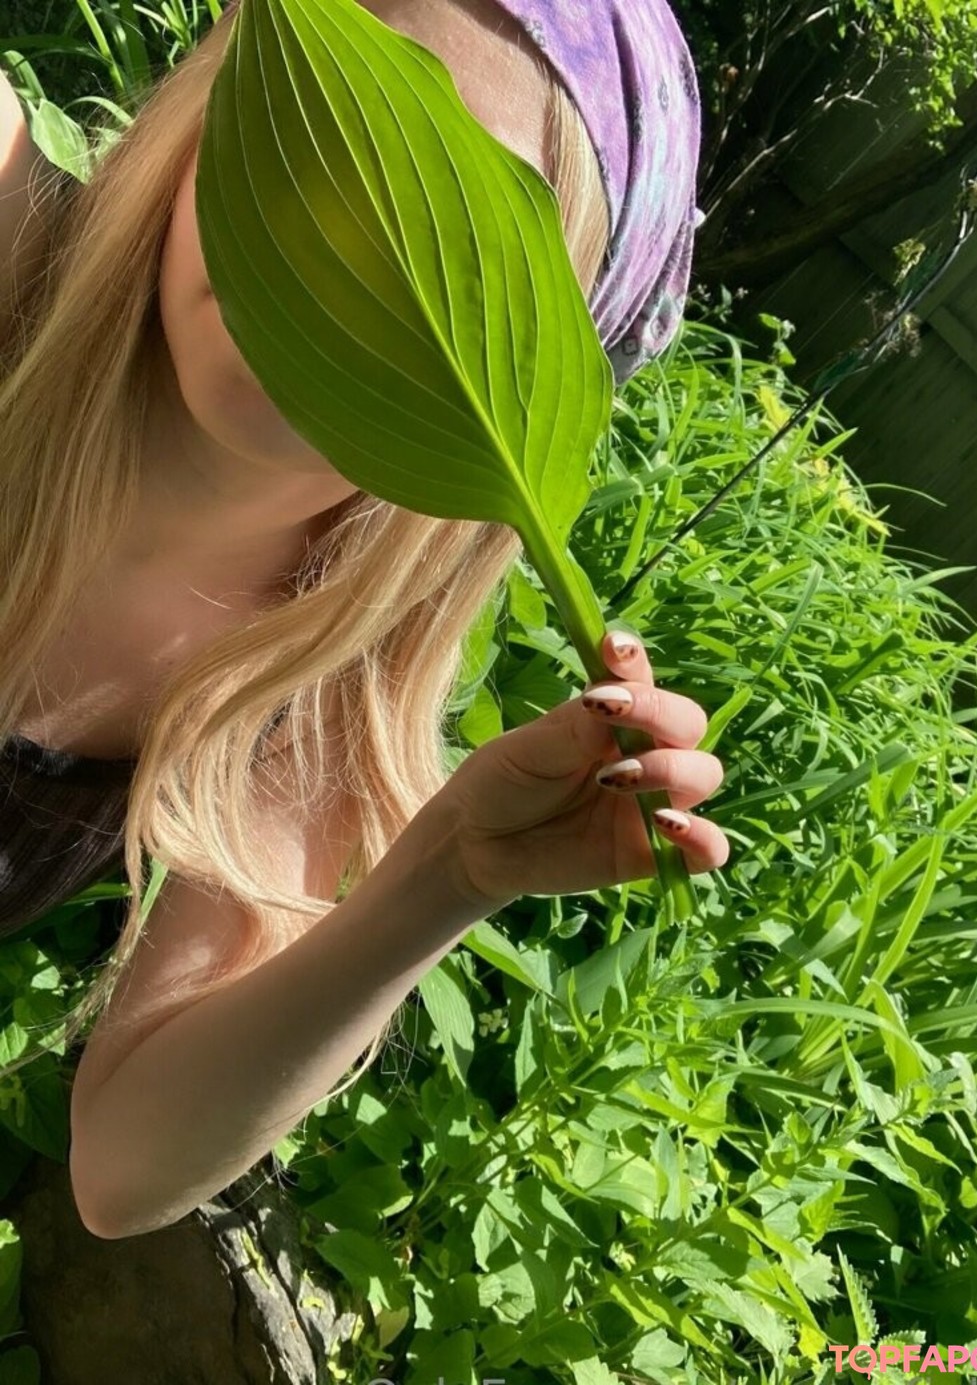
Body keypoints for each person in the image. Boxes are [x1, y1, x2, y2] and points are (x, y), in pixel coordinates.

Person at [0, 0, 727, 1240]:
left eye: (459, 247)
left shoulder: (304, 689)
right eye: (308, 132)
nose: (326, 253)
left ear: (529, 379)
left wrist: (444, 879)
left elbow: (123, 1167)